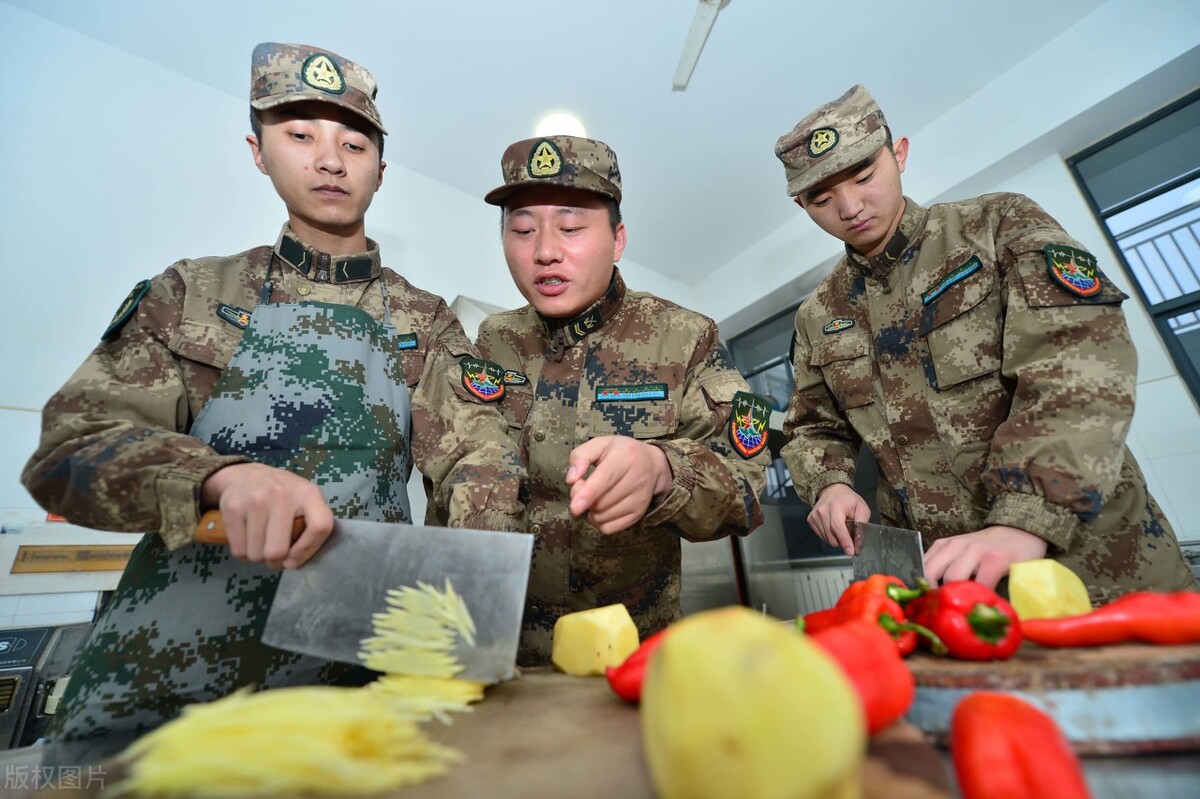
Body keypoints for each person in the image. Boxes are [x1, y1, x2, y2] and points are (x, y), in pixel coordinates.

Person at [21, 42, 527, 764]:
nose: (329, 160)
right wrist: (217, 476)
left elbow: (480, 456)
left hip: (354, 693)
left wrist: (464, 629)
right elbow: (68, 450)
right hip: (165, 687)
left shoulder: (426, 318)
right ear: (258, 152)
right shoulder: (193, 292)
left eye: (353, 143)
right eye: (300, 136)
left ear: (380, 171)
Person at [774, 84, 1197, 601]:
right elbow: (812, 426)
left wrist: (1024, 519)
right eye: (822, 197)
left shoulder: (998, 225)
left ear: (899, 153)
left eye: (864, 176)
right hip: (946, 582)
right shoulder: (818, 314)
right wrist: (830, 484)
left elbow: (1077, 359)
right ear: (802, 204)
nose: (851, 205)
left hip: (1093, 564)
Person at [473, 135, 770, 665]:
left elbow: (747, 482)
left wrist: (662, 470)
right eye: (522, 229)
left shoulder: (684, 336)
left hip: (629, 660)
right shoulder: (491, 342)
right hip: (502, 653)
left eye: (570, 227)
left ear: (618, 239)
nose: (545, 250)